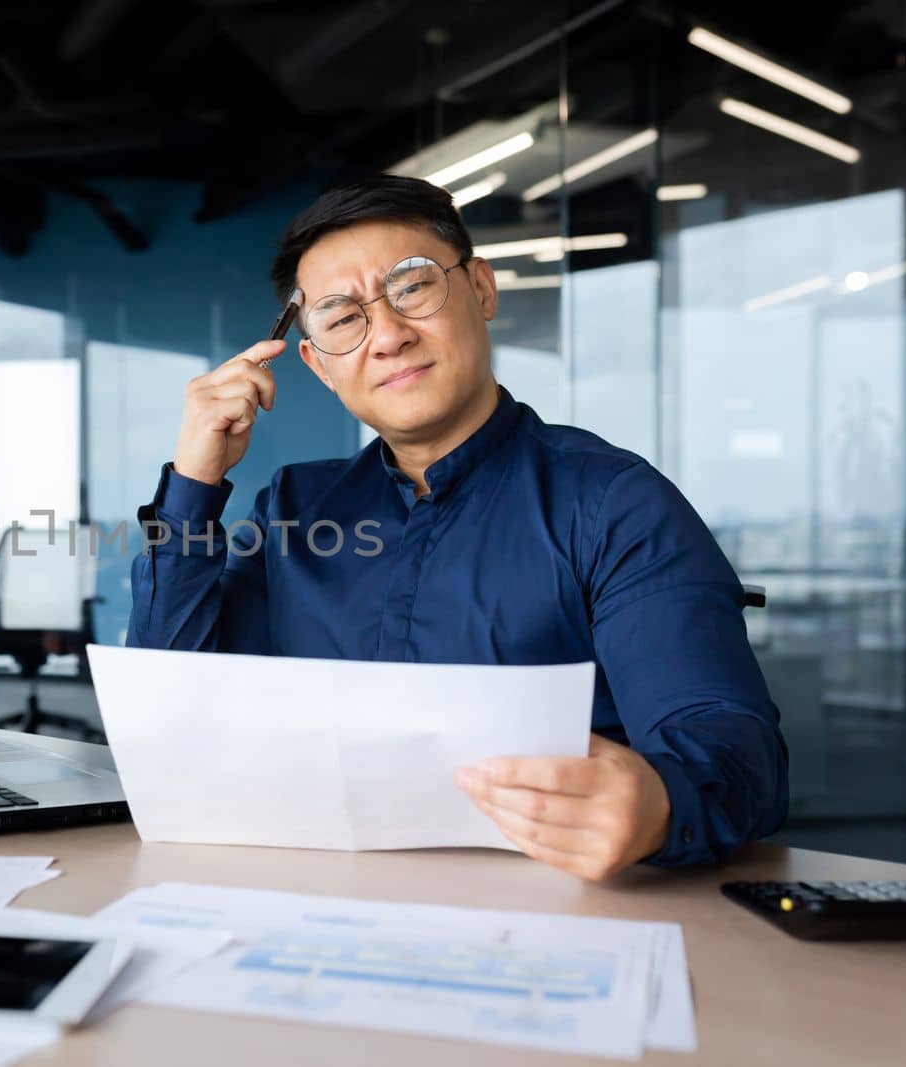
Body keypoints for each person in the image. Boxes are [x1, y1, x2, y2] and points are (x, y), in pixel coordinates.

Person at [127, 174, 787, 880]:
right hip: (320, 903)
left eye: (411, 287)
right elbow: (176, 706)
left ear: (481, 288)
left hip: (549, 914)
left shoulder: (613, 503)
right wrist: (193, 488)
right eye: (343, 317)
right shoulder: (296, 509)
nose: (387, 336)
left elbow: (733, 747)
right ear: (317, 365)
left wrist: (655, 803)